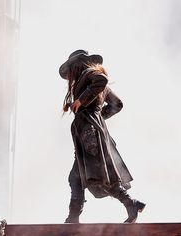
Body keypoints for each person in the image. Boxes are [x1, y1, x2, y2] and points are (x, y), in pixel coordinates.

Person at [59, 49, 145, 223]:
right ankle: (130, 204)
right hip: (90, 133)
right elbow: (117, 104)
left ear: (77, 65)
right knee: (85, 176)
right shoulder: (89, 82)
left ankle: (73, 218)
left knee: (92, 176)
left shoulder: (89, 74)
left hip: (89, 134)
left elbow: (102, 79)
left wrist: (82, 103)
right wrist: (96, 116)